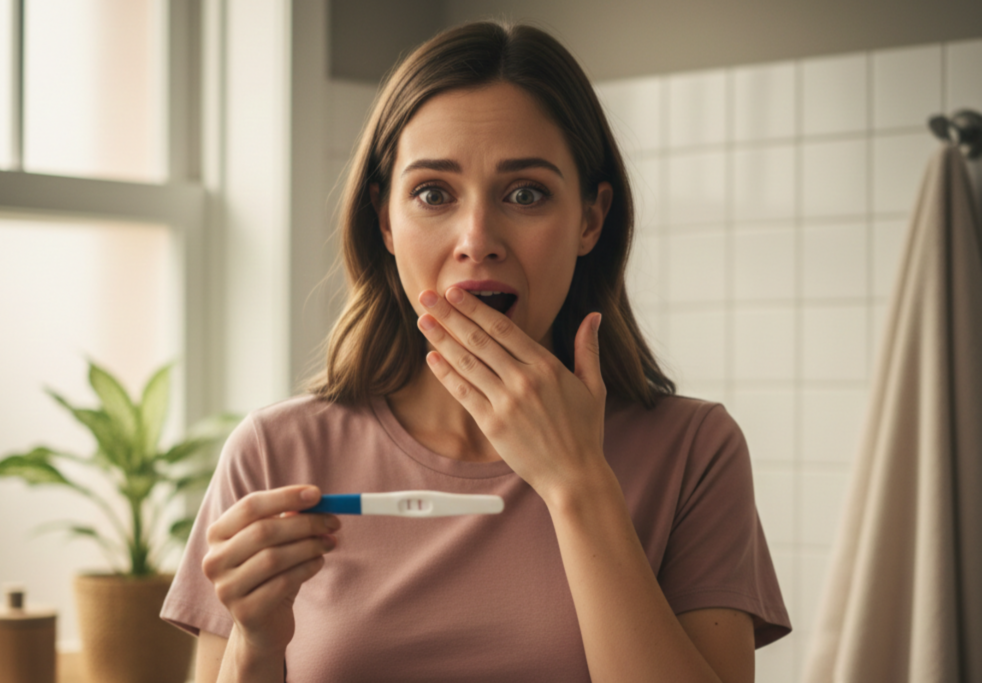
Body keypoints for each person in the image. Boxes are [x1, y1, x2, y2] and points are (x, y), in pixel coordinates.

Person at [161, 21, 791, 683]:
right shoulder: (274, 453)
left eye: (526, 194)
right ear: (385, 220)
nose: (477, 238)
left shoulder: (695, 452)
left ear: (590, 219)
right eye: (433, 193)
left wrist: (578, 481)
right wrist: (254, 646)